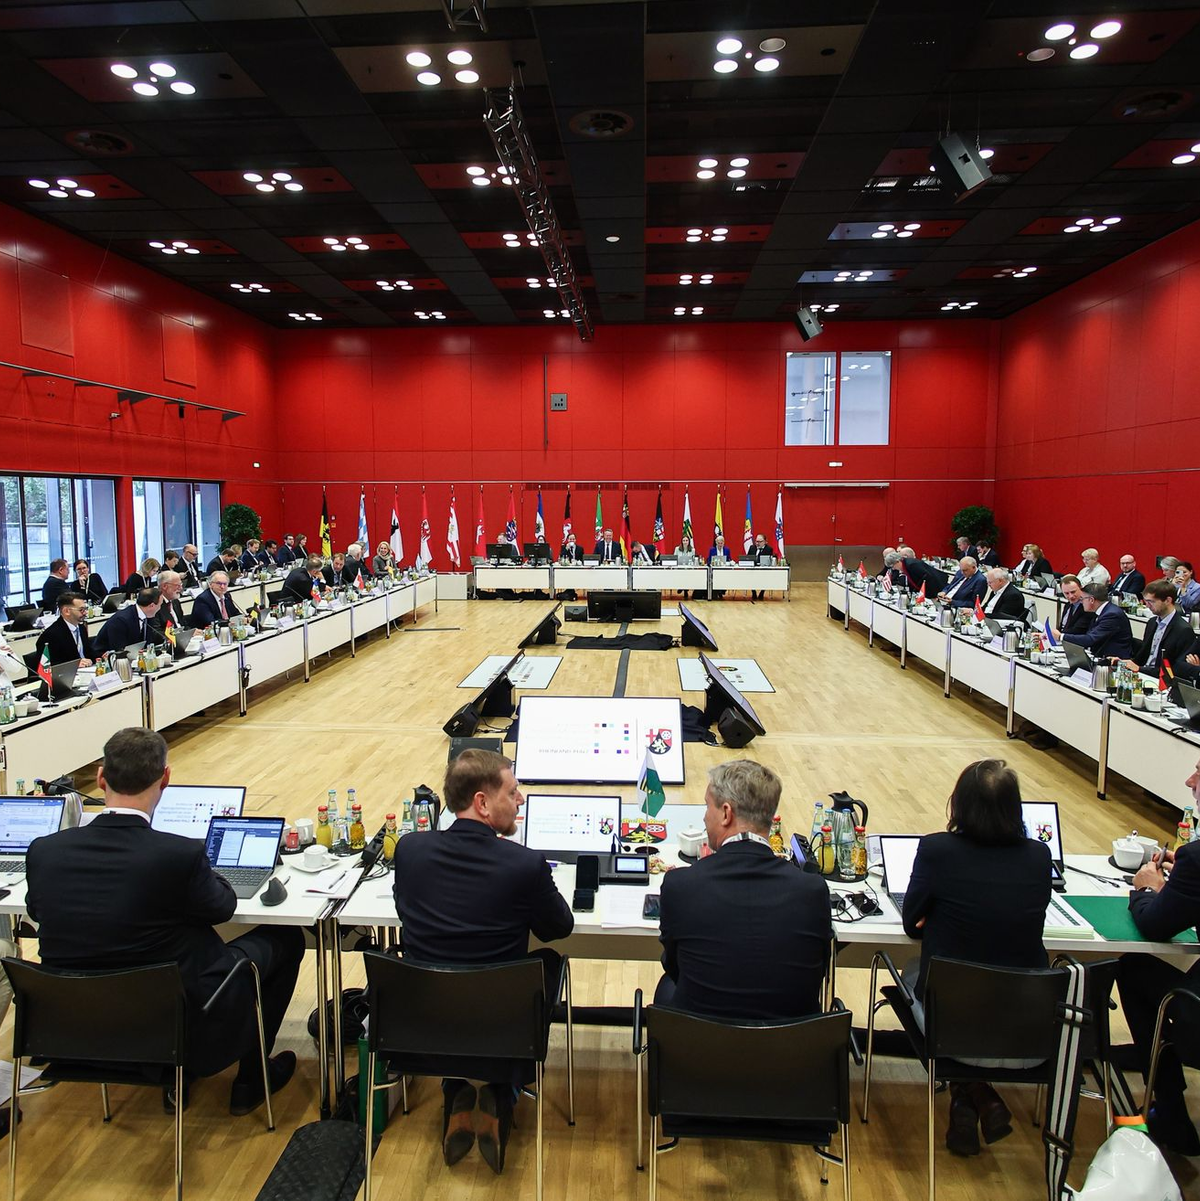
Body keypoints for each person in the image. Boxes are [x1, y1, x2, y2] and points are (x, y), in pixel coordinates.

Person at [25, 728, 303, 1115]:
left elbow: (37, 912)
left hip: (76, 1028)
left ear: (101, 777)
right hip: (179, 1025)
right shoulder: (178, 855)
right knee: (285, 940)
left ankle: (176, 1078)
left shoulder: (45, 851)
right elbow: (221, 907)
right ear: (166, 778)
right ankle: (252, 1078)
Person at [393, 749, 573, 1173]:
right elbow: (558, 927)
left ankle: (455, 1086)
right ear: (482, 803)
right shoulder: (524, 864)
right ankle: (501, 1089)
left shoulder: (409, 851)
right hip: (500, 1025)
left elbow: (405, 910)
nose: (521, 799)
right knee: (545, 962)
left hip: (424, 1025)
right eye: (513, 791)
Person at [902, 760, 1052, 1157]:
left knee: (916, 973)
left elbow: (911, 925)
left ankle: (971, 1092)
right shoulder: (1038, 858)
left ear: (959, 806)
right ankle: (976, 1097)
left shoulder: (937, 850)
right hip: (1030, 1035)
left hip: (953, 1030)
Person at [657, 761, 830, 1020]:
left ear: (726, 813)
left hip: (700, 1050)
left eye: (707, 806)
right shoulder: (813, 890)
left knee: (666, 988)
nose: (704, 817)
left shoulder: (680, 886)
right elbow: (817, 970)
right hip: (792, 1053)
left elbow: (675, 967)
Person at [1115, 756, 1200, 1155]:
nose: (1189, 779)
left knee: (1134, 965)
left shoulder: (1196, 859)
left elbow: (1155, 925)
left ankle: (1169, 1107)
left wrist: (1149, 887)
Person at [1117, 580, 1196, 679]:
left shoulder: (1183, 630)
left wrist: (1139, 669)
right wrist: (1122, 662)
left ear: (1168, 600)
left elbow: (1174, 669)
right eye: (1146, 601)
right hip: (1142, 674)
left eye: (1151, 601)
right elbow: (1142, 657)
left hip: (1159, 679)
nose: (1147, 605)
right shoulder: (1152, 622)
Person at [1057, 582, 1133, 659]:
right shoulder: (1102, 611)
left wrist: (1061, 636)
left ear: (1091, 600)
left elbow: (1090, 639)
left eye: (1082, 599)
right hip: (1099, 655)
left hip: (1113, 660)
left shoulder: (1112, 615)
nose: (1081, 602)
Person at [93, 587, 163, 654]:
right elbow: (119, 649)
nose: (160, 608)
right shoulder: (121, 620)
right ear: (152, 606)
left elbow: (148, 642)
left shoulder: (148, 616)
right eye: (160, 605)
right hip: (107, 657)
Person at [35, 591, 94, 666]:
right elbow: (48, 665)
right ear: (66, 611)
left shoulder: (81, 628)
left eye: (86, 609)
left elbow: (89, 653)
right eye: (81, 610)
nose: (85, 612)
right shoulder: (50, 635)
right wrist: (74, 665)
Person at [151, 570, 187, 638]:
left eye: (181, 585)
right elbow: (156, 633)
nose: (181, 588)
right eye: (177, 585)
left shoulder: (175, 602)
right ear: (165, 586)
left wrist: (191, 632)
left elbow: (183, 624)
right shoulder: (155, 604)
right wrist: (176, 636)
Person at [749, 533, 774, 600]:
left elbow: (768, 561)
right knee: (748, 576)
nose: (758, 543)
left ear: (765, 542)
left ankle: (762, 592)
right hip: (753, 569)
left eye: (760, 542)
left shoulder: (769, 549)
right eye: (756, 541)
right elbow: (748, 558)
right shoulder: (752, 548)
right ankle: (753, 592)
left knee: (766, 577)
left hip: (764, 570)